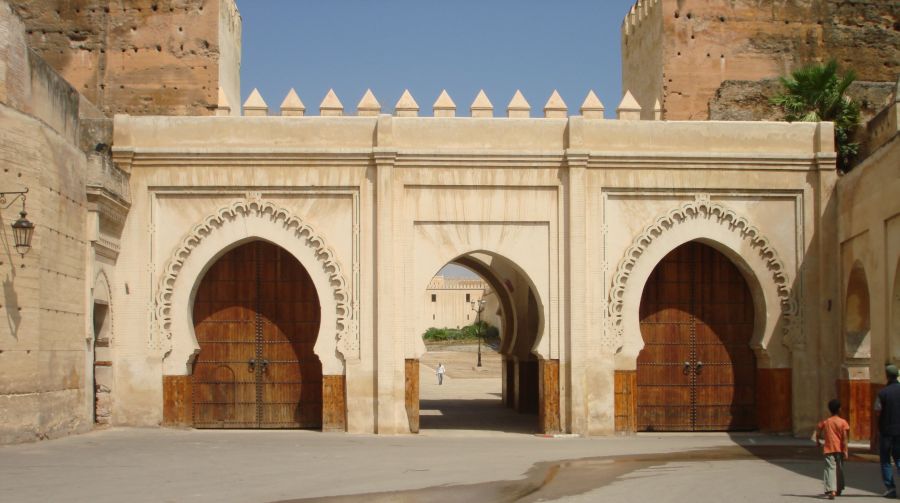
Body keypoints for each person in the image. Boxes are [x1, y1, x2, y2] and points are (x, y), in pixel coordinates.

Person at [816, 398, 849, 499]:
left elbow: (818, 431)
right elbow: (844, 438)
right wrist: (846, 451)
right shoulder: (843, 422)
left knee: (830, 469)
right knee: (839, 469)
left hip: (828, 449)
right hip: (839, 450)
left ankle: (832, 490)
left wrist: (818, 441)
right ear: (839, 409)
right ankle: (838, 488)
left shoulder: (826, 422)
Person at [875, 364, 900, 498]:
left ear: (887, 375)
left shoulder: (883, 393)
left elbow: (877, 411)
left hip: (886, 431)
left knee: (885, 460)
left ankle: (891, 489)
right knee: (899, 458)